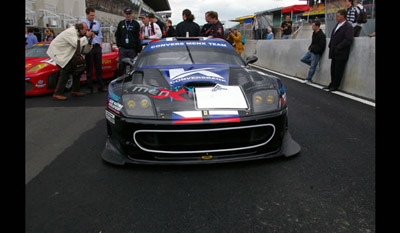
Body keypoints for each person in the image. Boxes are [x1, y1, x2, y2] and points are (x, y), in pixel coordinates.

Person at [47, 23, 94, 100]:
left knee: (77, 70)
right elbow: (77, 44)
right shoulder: (70, 32)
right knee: (65, 71)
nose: (86, 32)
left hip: (66, 53)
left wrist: (90, 40)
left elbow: (84, 49)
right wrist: (86, 37)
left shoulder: (78, 33)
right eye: (86, 30)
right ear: (80, 29)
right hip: (58, 53)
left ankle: (75, 90)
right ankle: (57, 93)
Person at [323, 9, 354, 92]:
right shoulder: (337, 25)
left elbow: (348, 39)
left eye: (338, 16)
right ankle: (332, 83)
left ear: (343, 16)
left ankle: (335, 85)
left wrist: (338, 47)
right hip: (334, 52)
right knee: (333, 69)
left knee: (338, 70)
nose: (336, 17)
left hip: (341, 53)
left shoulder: (348, 26)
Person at [83, 7, 107, 93]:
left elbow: (100, 35)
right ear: (87, 14)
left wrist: (100, 45)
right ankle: (89, 87)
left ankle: (101, 85)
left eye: (93, 15)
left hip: (97, 46)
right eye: (91, 15)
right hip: (89, 46)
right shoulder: (83, 23)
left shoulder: (97, 23)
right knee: (89, 67)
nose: (93, 17)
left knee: (99, 67)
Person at [115, 7, 142, 76]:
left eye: (129, 14)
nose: (128, 15)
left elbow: (138, 37)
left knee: (133, 67)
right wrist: (119, 46)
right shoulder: (121, 24)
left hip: (132, 50)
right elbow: (117, 35)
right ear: (124, 14)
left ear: (131, 14)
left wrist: (139, 50)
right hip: (123, 49)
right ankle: (121, 81)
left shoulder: (135, 24)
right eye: (127, 14)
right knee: (121, 67)